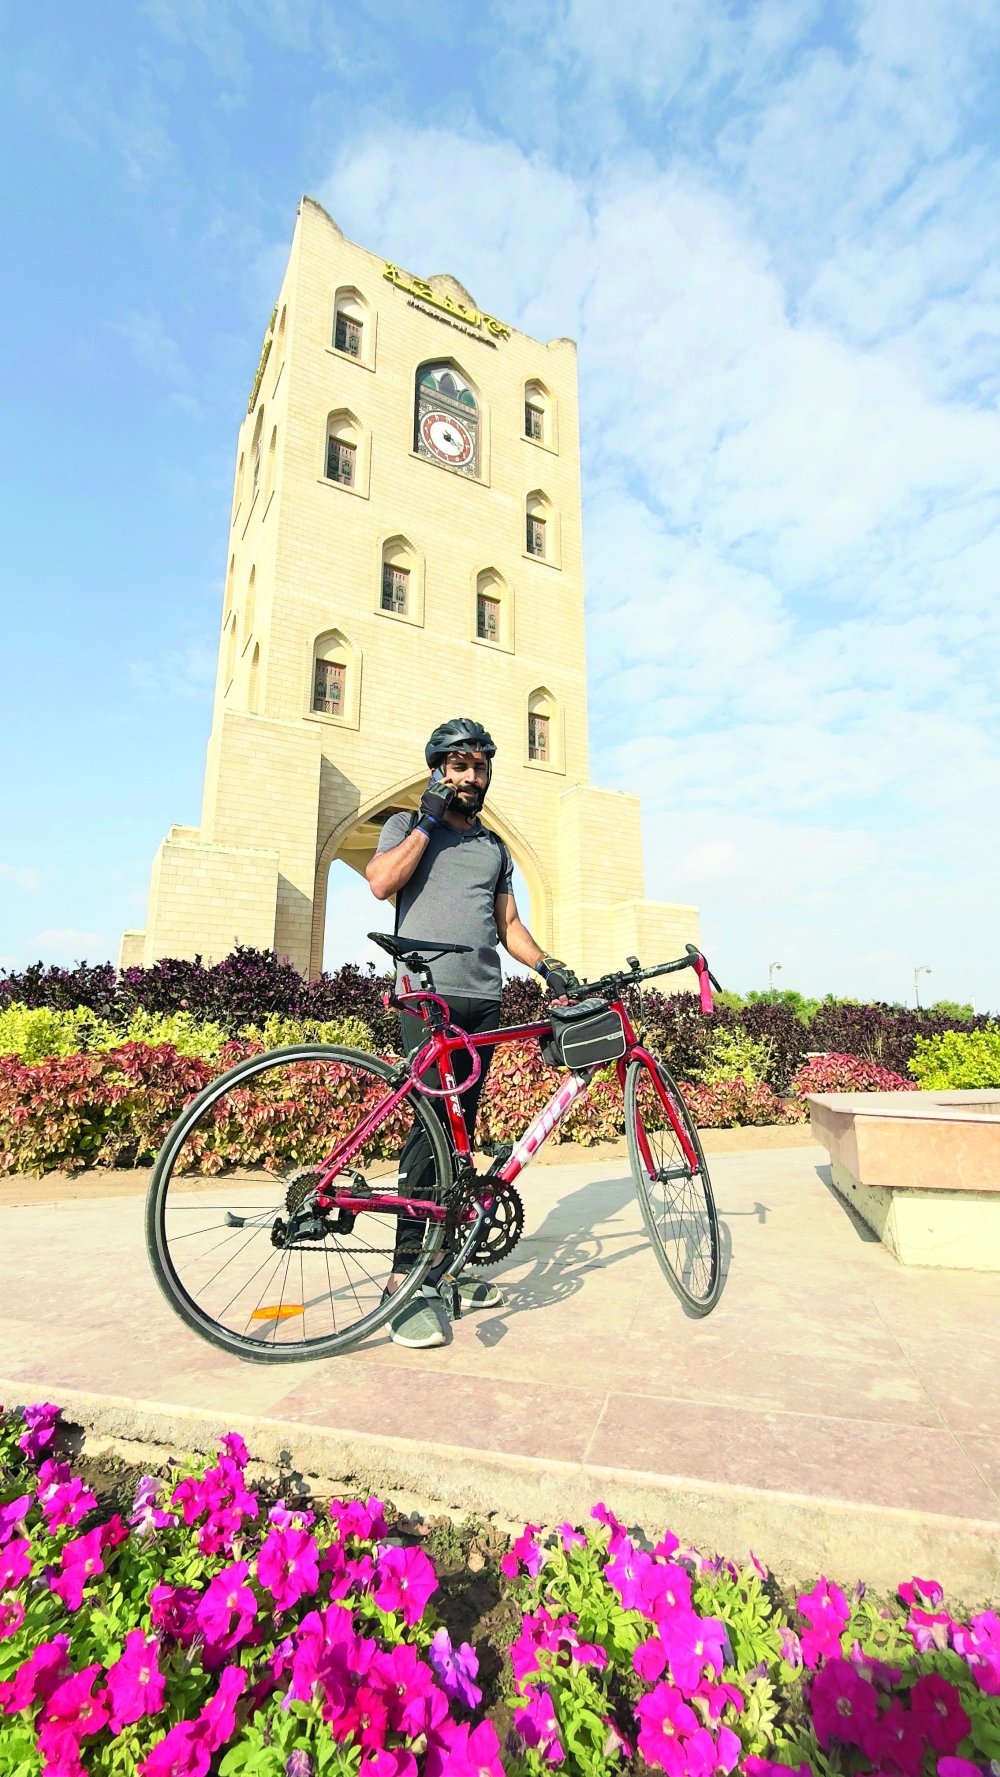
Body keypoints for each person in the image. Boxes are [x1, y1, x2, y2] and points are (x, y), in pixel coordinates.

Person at [366, 716, 577, 1348]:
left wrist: (548, 966)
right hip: (427, 998)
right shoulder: (407, 826)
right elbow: (381, 883)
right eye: (457, 765)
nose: (469, 776)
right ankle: (406, 1279)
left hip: (484, 1000)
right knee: (427, 1137)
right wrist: (427, 821)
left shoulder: (493, 847)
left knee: (461, 1138)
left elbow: (508, 924)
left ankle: (446, 1264)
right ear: (438, 770)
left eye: (478, 767)